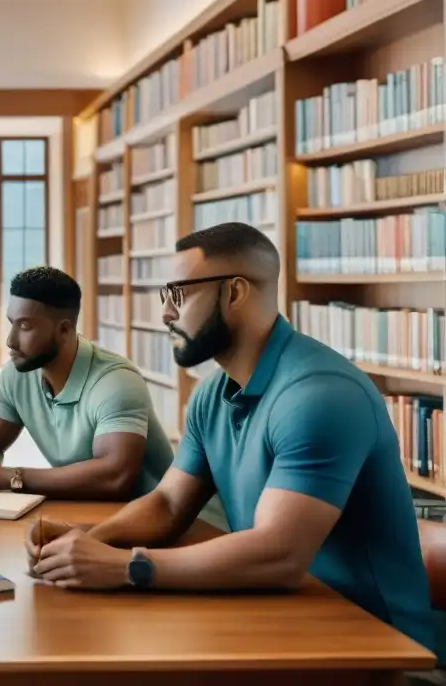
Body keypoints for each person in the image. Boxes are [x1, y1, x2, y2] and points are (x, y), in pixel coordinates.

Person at [24, 223, 436, 667]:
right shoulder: (211, 394)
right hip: (280, 622)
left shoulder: (321, 395)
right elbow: (166, 504)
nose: (165, 313)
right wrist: (88, 542)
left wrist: (126, 566)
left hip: (379, 652)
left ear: (235, 293)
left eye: (178, 295)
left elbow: (278, 554)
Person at [0, 266, 174, 500]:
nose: (10, 340)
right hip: (87, 512)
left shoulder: (117, 382)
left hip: (169, 523)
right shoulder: (18, 374)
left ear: (64, 330)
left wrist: (7, 477)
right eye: (11, 323)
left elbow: (115, 476)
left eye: (25, 326)